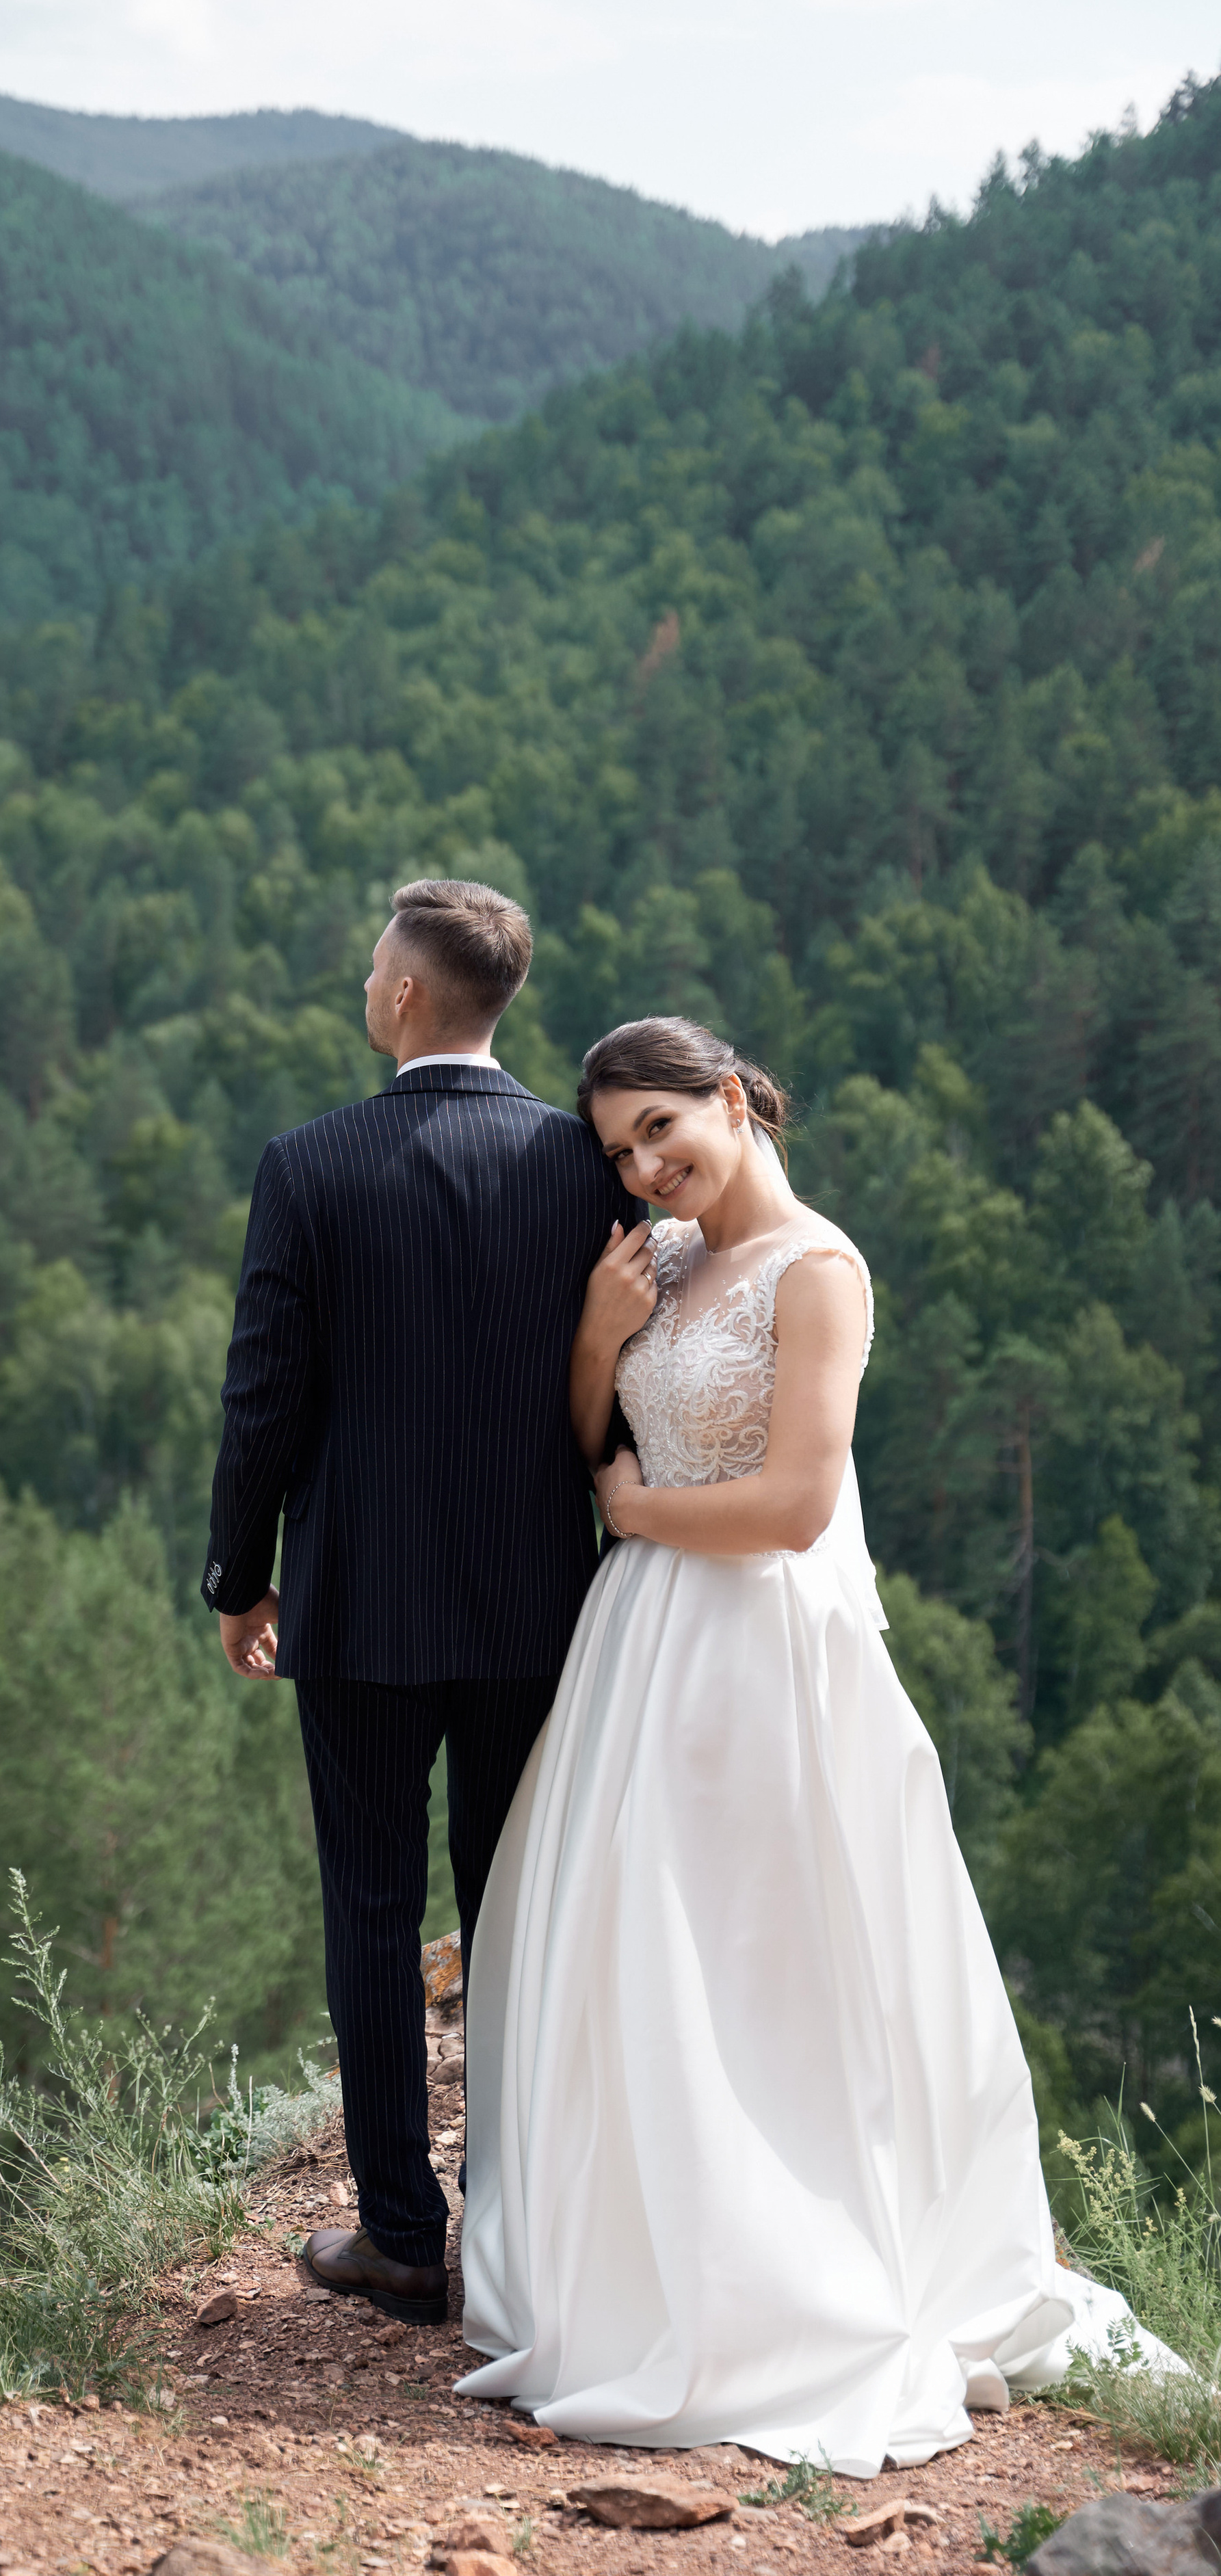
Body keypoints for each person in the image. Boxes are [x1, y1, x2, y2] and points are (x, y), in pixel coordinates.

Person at [457, 1013, 1140, 2473]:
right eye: (620, 1150)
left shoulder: (816, 1272)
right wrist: (595, 1336)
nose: (645, 1168)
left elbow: (789, 1508)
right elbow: (590, 1438)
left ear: (730, 1098)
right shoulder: (666, 1263)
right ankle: (637, 2258)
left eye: (660, 1129)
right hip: (640, 1647)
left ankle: (788, 2285)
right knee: (636, 1952)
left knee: (765, 1964)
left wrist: (635, 1516)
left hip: (754, 1645)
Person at [203, 879, 640, 2326]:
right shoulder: (584, 1169)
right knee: (513, 1916)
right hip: (537, 1605)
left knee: (372, 1911)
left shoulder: (309, 1164)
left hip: (361, 1607)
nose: (366, 978)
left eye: (372, 963)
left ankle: (401, 2235)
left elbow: (264, 1392)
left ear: (403, 996)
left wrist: (236, 1575)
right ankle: (523, 2237)